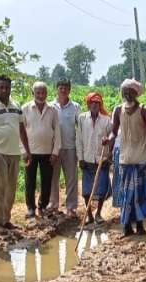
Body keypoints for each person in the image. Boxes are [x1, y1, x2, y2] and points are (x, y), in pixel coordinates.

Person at [108, 79, 146, 237]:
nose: (128, 94)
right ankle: (127, 227)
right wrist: (108, 143)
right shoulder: (118, 110)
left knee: (138, 194)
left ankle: (139, 225)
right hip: (124, 158)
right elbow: (113, 132)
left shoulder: (143, 110)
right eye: (125, 91)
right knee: (126, 194)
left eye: (131, 91)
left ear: (136, 93)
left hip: (141, 158)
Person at [0, 75, 31, 230]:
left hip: (14, 153)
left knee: (11, 188)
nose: (4, 90)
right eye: (1, 87)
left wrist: (27, 150)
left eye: (7, 87)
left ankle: (6, 219)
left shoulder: (16, 105)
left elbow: (22, 129)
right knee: (0, 188)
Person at [23, 81, 61, 219]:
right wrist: (24, 152)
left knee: (47, 181)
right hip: (30, 152)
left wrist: (55, 152)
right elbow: (21, 132)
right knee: (30, 181)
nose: (41, 95)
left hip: (48, 152)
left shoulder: (52, 110)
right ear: (33, 93)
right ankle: (31, 208)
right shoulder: (25, 108)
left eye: (43, 92)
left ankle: (43, 206)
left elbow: (57, 132)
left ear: (47, 93)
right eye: (38, 92)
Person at [76, 92, 113, 224]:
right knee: (86, 191)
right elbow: (79, 139)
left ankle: (98, 214)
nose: (95, 105)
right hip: (87, 160)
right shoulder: (81, 118)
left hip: (101, 160)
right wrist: (80, 158)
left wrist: (108, 144)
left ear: (100, 104)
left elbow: (113, 137)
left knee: (101, 190)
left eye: (97, 103)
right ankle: (89, 215)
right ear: (88, 104)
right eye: (92, 102)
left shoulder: (107, 120)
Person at [49, 78, 81, 217]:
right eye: (61, 87)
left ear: (70, 90)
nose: (63, 90)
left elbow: (80, 128)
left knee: (71, 178)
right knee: (53, 178)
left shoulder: (76, 107)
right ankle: (53, 204)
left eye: (66, 87)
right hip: (54, 148)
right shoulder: (50, 106)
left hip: (70, 147)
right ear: (57, 88)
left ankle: (71, 207)